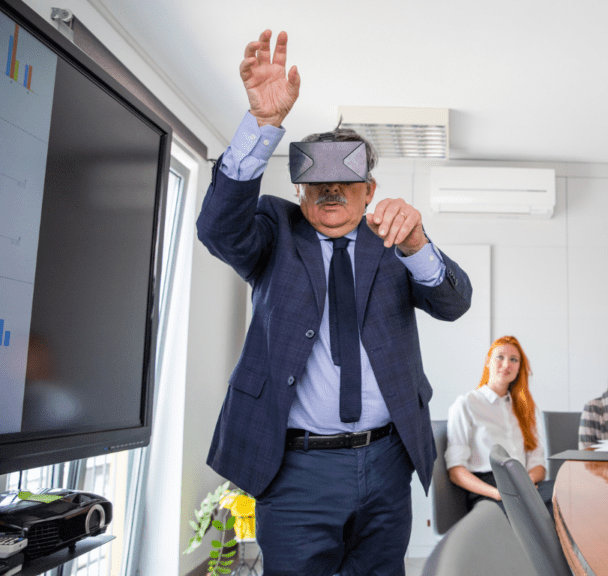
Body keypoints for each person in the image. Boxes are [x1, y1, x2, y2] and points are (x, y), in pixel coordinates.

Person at [195, 30, 472, 576]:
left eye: (346, 180)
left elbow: (453, 302)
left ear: (369, 189)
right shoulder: (275, 230)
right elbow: (217, 227)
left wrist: (418, 246)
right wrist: (264, 125)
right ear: (299, 189)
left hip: (387, 460)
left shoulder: (394, 237)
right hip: (296, 468)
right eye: (316, 178)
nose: (330, 191)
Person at [445, 336, 553, 514]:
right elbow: (456, 471)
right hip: (488, 492)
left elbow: (538, 464)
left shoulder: (527, 410)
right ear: (488, 362)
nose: (506, 364)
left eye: (513, 359)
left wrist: (525, 486)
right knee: (538, 517)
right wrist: (497, 493)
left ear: (519, 368)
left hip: (523, 485)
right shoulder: (467, 404)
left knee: (565, 495)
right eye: (500, 357)